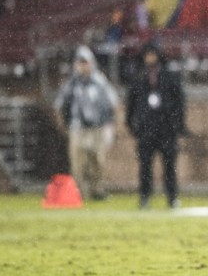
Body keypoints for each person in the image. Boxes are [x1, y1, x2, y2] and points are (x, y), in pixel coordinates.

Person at [53, 46, 120, 200]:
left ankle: (98, 190)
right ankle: (79, 192)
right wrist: (62, 125)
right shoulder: (71, 84)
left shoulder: (100, 82)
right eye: (80, 63)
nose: (83, 66)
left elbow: (114, 103)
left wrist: (112, 124)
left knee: (97, 160)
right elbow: (59, 105)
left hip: (97, 127)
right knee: (78, 162)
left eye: (86, 63)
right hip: (77, 127)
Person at [126, 44, 187, 209]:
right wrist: (131, 124)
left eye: (153, 54)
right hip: (146, 129)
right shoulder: (138, 77)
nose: (150, 58)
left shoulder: (169, 76)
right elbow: (131, 103)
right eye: (148, 54)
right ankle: (144, 197)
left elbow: (179, 102)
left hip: (166, 129)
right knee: (145, 165)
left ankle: (172, 197)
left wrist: (178, 124)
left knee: (169, 166)